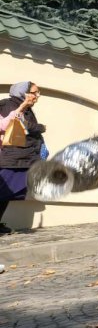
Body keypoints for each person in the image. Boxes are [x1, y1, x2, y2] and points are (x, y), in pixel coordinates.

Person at [1, 82, 46, 235]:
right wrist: (40, 127)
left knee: (7, 193)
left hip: (21, 158)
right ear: (23, 93)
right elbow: (18, 126)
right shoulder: (11, 105)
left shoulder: (25, 108)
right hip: (13, 158)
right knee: (3, 191)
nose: (37, 96)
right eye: (34, 92)